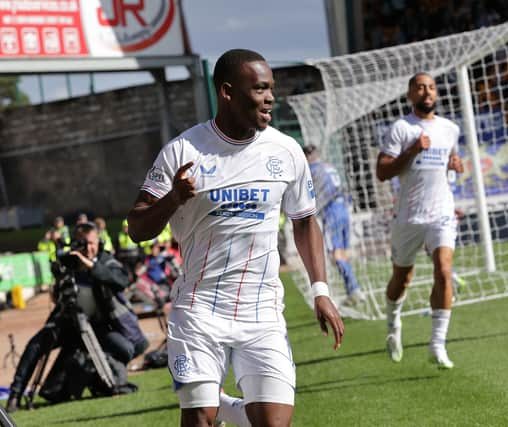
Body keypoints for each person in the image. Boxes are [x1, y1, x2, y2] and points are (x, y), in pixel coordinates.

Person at [127, 48, 344, 427]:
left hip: (262, 310)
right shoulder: (183, 151)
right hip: (199, 309)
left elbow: (305, 221)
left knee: (274, 423)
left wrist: (321, 291)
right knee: (198, 420)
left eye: (271, 88)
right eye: (260, 88)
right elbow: (137, 227)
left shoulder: (285, 150)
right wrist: (173, 199)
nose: (270, 97)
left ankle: (223, 404)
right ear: (227, 92)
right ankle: (211, 403)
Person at [5, 222, 148, 412]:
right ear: (75, 243)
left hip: (97, 327)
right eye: (83, 243)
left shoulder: (105, 260)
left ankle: (100, 380)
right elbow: (58, 295)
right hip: (68, 322)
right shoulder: (69, 263)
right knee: (36, 345)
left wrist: (90, 265)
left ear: (99, 242)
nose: (88, 248)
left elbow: (121, 280)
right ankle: (15, 396)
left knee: (126, 349)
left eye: (92, 243)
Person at [375, 72, 463, 369]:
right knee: (402, 279)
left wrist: (455, 166)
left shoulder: (450, 129)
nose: (427, 91)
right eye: (420, 87)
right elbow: (383, 172)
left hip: (442, 214)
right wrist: (412, 150)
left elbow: (449, 167)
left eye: (431, 87)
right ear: (410, 94)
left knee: (444, 270)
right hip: (409, 217)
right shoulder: (401, 128)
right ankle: (393, 323)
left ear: (436, 94)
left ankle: (437, 345)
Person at [303, 144, 366, 306]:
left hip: (331, 212)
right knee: (341, 253)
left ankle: (355, 290)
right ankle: (351, 290)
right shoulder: (328, 166)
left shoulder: (312, 170)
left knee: (335, 255)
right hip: (343, 208)